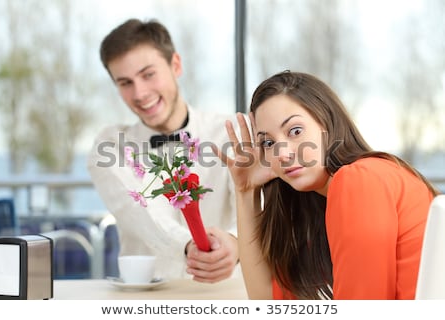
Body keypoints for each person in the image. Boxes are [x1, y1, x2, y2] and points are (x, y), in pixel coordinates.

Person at [214, 71, 439, 299]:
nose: (282, 153)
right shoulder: (325, 205)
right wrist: (245, 192)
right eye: (269, 143)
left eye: (295, 131)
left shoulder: (360, 180)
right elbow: (267, 303)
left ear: (327, 123)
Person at [87, 18, 239, 283]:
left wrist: (236, 244)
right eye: (125, 83)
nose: (140, 93)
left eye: (148, 75)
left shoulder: (230, 132)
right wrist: (190, 246)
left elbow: (254, 211)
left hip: (222, 295)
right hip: (146, 298)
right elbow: (141, 213)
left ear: (175, 65)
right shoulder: (109, 146)